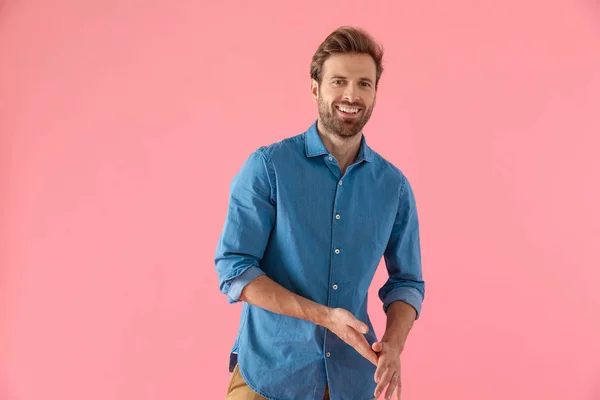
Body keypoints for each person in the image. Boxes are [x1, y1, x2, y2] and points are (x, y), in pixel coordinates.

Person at [214, 25, 425, 400]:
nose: (351, 95)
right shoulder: (268, 168)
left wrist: (393, 343)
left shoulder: (394, 187)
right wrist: (325, 316)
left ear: (375, 93)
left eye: (364, 84)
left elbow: (407, 283)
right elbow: (235, 270)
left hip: (352, 381)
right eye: (338, 81)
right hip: (269, 375)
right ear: (315, 88)